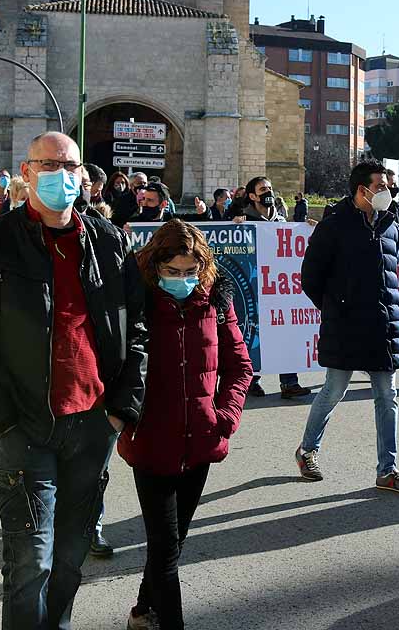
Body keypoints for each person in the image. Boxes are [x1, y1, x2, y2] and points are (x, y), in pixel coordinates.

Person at [0, 131, 147, 629]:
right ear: (27, 170)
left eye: (71, 165)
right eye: (50, 164)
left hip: (93, 425)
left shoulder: (109, 239)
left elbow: (138, 329)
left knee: (68, 564)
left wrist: (122, 410)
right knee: (29, 565)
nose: (63, 175)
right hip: (24, 428)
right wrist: (1, 420)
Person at [118, 220, 252, 630]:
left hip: (200, 440)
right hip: (151, 442)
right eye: (172, 272)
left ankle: (143, 610)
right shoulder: (135, 303)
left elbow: (239, 366)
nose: (182, 280)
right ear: (155, 266)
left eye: (190, 272)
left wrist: (225, 417)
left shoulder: (216, 301)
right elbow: (115, 366)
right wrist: (125, 414)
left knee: (171, 545)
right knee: (165, 549)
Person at [294, 161, 399, 494]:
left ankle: (388, 470)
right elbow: (311, 278)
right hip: (345, 326)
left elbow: (391, 274)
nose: (387, 191)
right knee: (334, 391)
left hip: (383, 326)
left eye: (387, 185)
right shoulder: (334, 226)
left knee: (387, 396)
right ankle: (307, 451)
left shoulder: (391, 223)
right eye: (380, 185)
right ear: (361, 190)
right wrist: (337, 308)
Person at [236, 176, 311, 399]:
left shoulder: (281, 218)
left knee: (284, 333)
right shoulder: (244, 220)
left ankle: (289, 382)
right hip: (255, 287)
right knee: (255, 334)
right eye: (262, 189)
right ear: (252, 196)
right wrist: (234, 226)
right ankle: (251, 380)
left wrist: (306, 230)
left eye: (269, 187)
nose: (268, 192)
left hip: (278, 288)